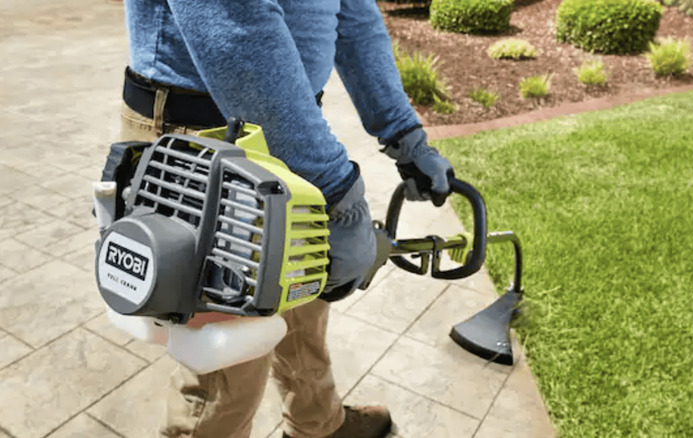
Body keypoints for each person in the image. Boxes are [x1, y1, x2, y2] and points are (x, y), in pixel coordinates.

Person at [119, 0, 454, 437]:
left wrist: (403, 133)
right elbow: (229, 15)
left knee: (304, 304)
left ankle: (318, 423)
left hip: (291, 122)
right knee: (225, 364)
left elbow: (351, 10)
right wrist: (336, 193)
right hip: (206, 137)